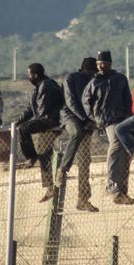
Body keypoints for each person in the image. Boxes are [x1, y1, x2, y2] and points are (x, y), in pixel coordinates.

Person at [82, 50, 134, 205]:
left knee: (126, 151)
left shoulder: (120, 79)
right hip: (107, 121)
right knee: (116, 144)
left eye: (103, 63)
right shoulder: (94, 82)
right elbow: (86, 102)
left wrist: (129, 116)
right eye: (98, 63)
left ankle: (121, 191)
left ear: (110, 63)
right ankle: (111, 184)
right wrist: (95, 118)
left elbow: (128, 99)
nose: (100, 66)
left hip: (123, 118)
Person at [55, 57, 99, 212]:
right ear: (86, 70)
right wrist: (85, 119)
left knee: (85, 161)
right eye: (92, 72)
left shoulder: (94, 81)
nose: (94, 75)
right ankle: (62, 170)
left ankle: (83, 199)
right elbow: (70, 102)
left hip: (86, 120)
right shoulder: (71, 78)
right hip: (70, 116)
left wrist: (94, 120)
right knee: (77, 133)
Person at [15, 62, 64, 202]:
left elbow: (43, 110)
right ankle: (49, 186)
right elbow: (30, 109)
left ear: (35, 75)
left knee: (24, 129)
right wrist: (17, 121)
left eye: (29, 74)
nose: (28, 77)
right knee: (43, 152)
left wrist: (29, 124)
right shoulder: (39, 87)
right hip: (44, 119)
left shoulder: (46, 86)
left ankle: (31, 156)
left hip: (51, 120)